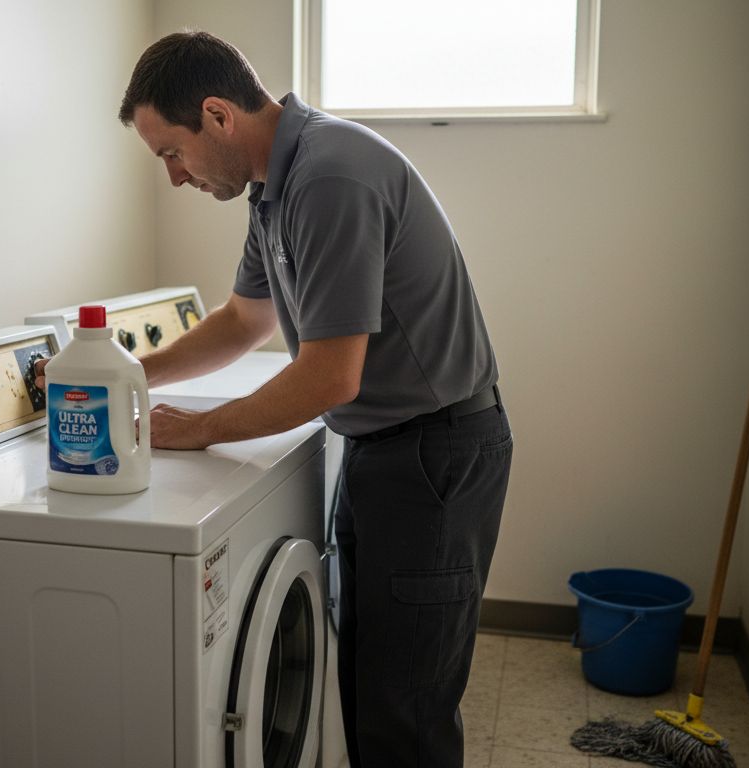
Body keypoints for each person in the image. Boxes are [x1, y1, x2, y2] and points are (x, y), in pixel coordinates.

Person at [42, 30, 513, 768]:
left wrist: (198, 431)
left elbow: (331, 377)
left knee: (406, 715)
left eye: (171, 152)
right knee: (372, 692)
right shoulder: (275, 187)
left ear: (218, 115)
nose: (172, 177)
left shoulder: (331, 176)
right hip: (387, 449)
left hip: (434, 457)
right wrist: (127, 377)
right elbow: (243, 321)